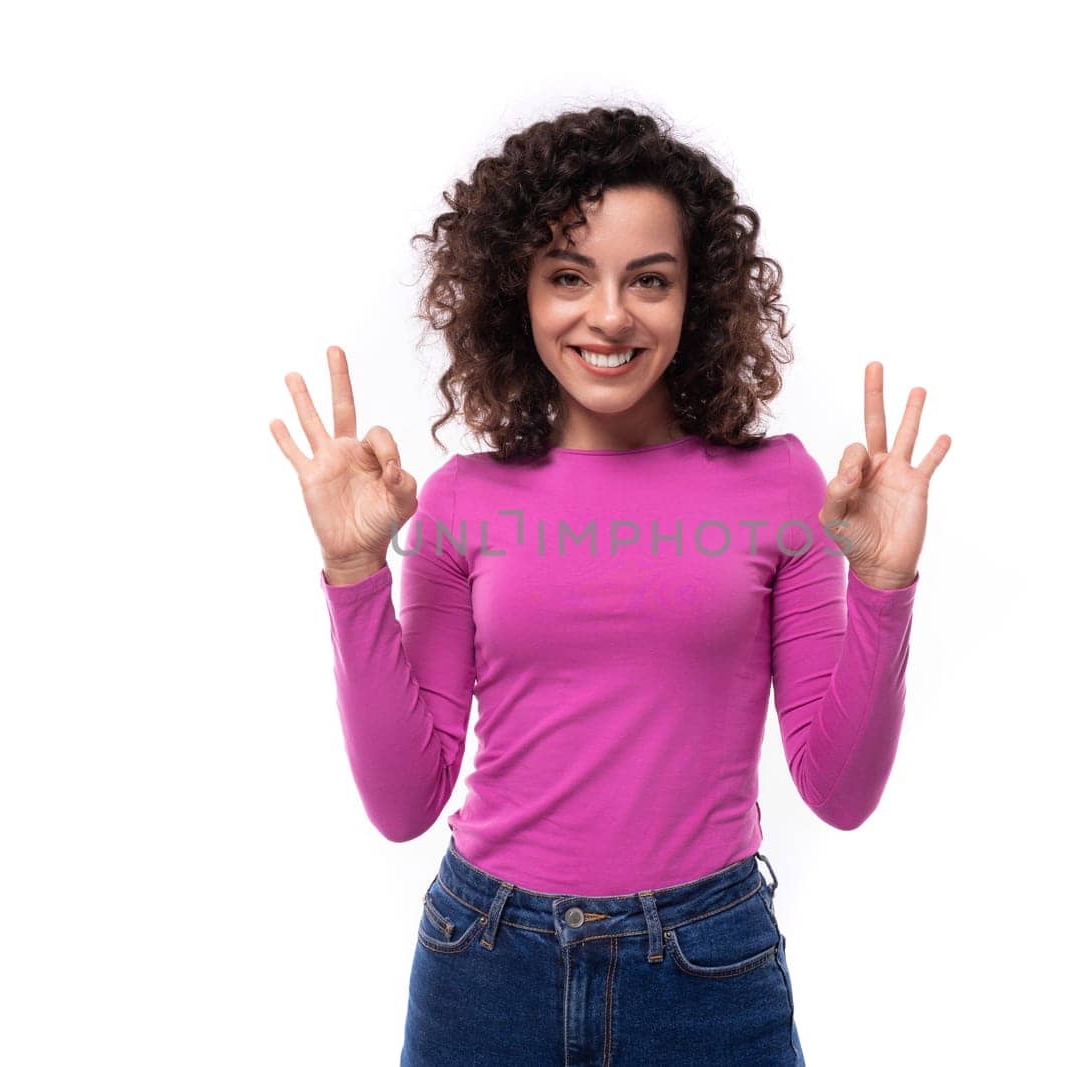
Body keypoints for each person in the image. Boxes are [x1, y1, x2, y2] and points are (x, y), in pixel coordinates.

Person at [269, 105, 950, 1066]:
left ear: (696, 297)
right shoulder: (464, 500)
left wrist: (883, 582)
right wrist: (352, 572)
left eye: (650, 281)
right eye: (568, 278)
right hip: (486, 962)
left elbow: (838, 792)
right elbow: (402, 801)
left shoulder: (782, 486)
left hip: (710, 966)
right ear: (520, 297)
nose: (611, 315)